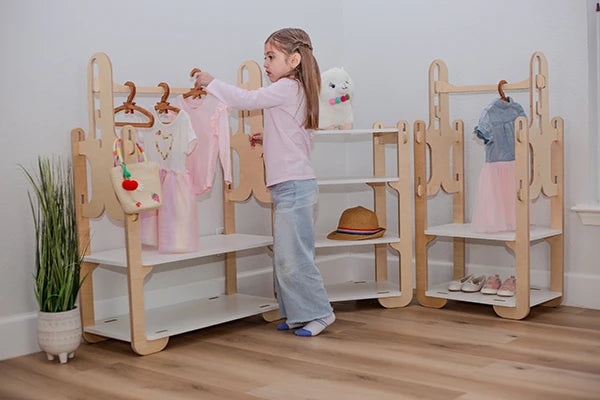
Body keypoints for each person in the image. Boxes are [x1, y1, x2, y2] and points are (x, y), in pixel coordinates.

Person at [194, 28, 335, 337]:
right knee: (286, 256)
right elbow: (295, 134)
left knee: (294, 257)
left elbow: (248, 99)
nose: (267, 64)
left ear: (294, 59)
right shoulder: (296, 91)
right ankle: (297, 314)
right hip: (291, 187)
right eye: (265, 57)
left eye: (271, 57)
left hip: (295, 188)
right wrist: (267, 136)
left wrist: (212, 83)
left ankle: (320, 313)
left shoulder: (287, 87)